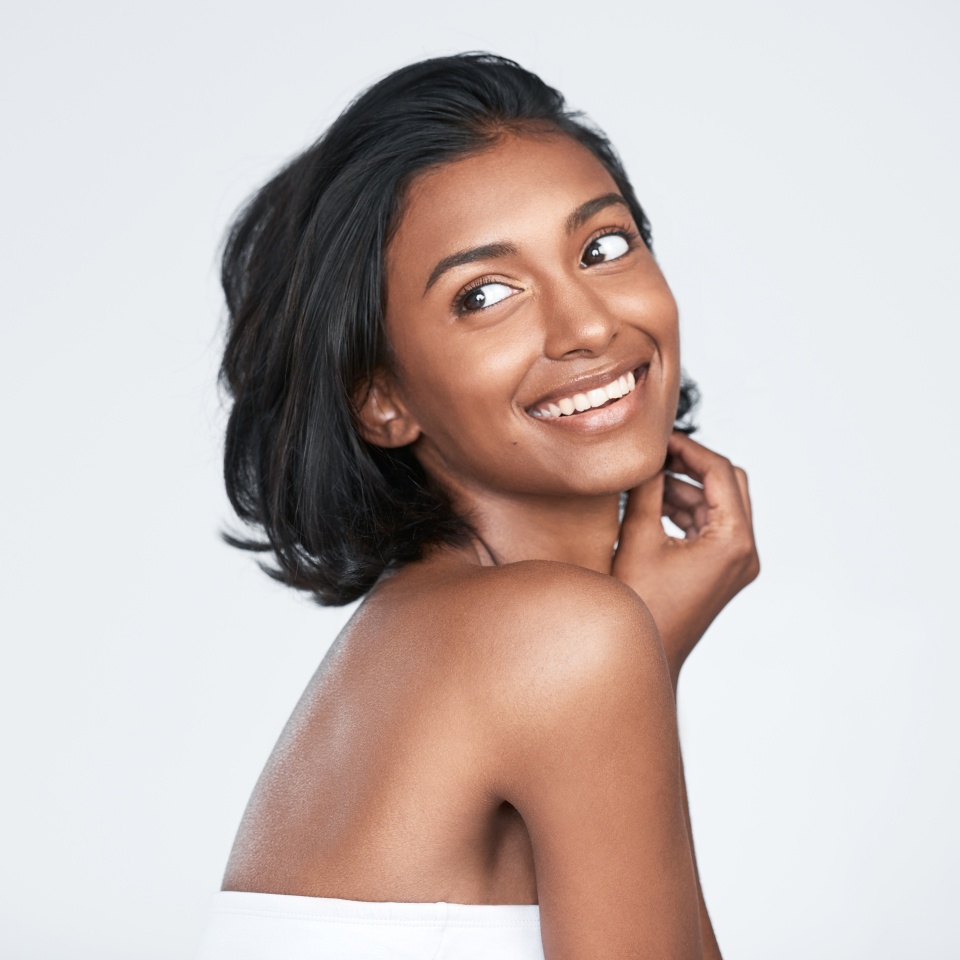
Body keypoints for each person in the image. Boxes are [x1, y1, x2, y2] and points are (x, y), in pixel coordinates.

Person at [195, 52, 760, 960]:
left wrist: (643, 651)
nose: (585, 325)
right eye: (485, 295)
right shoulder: (560, 635)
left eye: (603, 247)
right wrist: (639, 648)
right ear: (383, 399)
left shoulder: (444, 631)